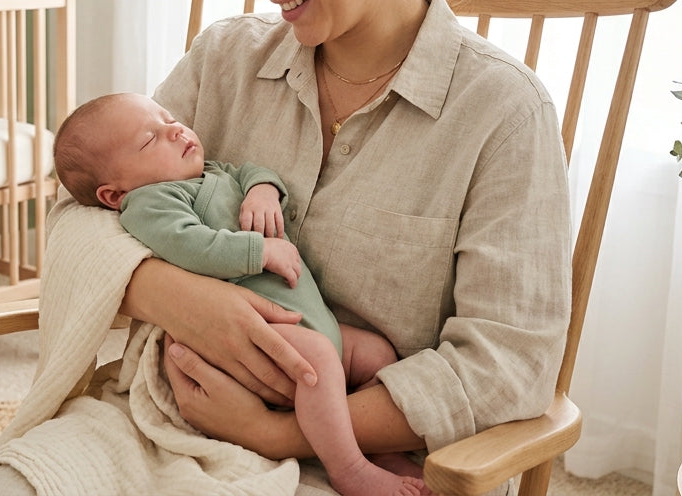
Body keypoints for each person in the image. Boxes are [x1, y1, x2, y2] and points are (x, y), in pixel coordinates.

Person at [0, 0, 571, 496]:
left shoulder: (501, 112)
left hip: (374, 461)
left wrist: (285, 431)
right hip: (165, 422)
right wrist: (172, 295)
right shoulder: (225, 60)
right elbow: (79, 213)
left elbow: (507, 364)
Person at [53, 91, 422, 496]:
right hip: (256, 334)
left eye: (169, 118)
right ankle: (348, 468)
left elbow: (250, 171)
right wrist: (258, 250)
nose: (175, 130)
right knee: (316, 363)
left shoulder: (209, 172)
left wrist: (262, 190)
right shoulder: (150, 202)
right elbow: (190, 245)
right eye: (149, 139)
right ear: (114, 194)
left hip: (304, 319)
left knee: (377, 355)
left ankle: (379, 450)